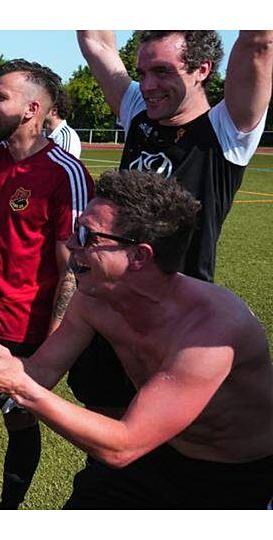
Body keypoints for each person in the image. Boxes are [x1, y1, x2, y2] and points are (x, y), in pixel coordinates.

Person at [0, 169, 273, 509]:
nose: (72, 243)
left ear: (140, 256)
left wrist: (20, 387)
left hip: (237, 477)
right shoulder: (93, 299)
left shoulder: (211, 331)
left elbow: (122, 446)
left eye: (88, 235)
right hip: (157, 453)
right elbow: (39, 373)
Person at [72, 30, 272, 415]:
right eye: (142, 72)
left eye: (162, 71)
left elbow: (260, 41)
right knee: (103, 419)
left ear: (201, 69)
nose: (147, 85)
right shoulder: (137, 111)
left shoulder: (228, 128)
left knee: (168, 444)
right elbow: (95, 41)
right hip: (114, 306)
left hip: (175, 321)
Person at [0, 59, 92, 509]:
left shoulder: (64, 173)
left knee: (19, 419)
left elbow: (74, 268)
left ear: (32, 109)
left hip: (26, 331)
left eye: (0, 97)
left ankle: (8, 508)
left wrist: (51, 347)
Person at [42, 88, 81, 158]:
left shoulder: (66, 136)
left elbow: (63, 167)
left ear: (54, 110)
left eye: (43, 104)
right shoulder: (42, 134)